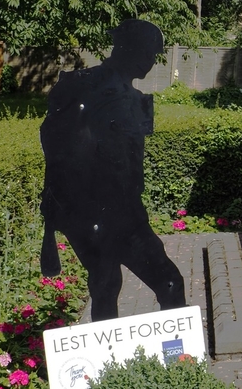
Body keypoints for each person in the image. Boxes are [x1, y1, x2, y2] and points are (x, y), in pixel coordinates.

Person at [39, 19, 186, 320]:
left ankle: (178, 359)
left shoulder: (137, 101)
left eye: (154, 55)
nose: (150, 62)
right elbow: (56, 146)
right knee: (106, 284)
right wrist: (76, 214)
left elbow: (132, 169)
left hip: (127, 214)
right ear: (126, 49)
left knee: (169, 281)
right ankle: (109, 364)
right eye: (147, 53)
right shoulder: (81, 84)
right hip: (88, 213)